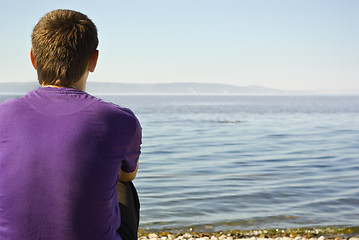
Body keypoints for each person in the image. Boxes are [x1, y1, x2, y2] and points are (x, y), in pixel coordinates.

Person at [0, 9, 141, 240]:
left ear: (33, 58)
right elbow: (127, 177)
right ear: (93, 60)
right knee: (120, 184)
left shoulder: (2, 114)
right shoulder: (120, 120)